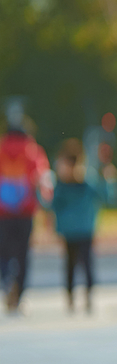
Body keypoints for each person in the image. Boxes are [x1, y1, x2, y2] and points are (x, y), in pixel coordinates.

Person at [44, 139, 117, 314]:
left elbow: (108, 198)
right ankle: (71, 297)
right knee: (70, 264)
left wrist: (109, 179)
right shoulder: (62, 185)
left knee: (86, 264)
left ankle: (88, 297)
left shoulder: (88, 182)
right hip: (70, 231)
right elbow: (51, 204)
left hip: (85, 230)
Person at [0, 114, 50, 315]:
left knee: (2, 252)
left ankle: (6, 282)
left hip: (2, 213)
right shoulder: (33, 151)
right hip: (25, 212)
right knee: (23, 254)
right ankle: (18, 293)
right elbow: (42, 181)